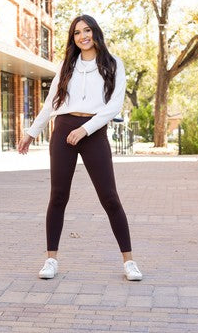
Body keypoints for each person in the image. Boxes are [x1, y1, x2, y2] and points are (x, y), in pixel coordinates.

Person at [17, 15, 142, 281]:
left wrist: (85, 129)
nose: (82, 36)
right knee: (58, 196)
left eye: (87, 30)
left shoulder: (113, 64)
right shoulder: (67, 65)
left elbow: (114, 106)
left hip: (93, 133)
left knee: (110, 197)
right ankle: (51, 259)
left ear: (95, 32)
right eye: (76, 33)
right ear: (73, 39)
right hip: (63, 130)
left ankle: (129, 262)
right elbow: (51, 102)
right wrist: (31, 133)